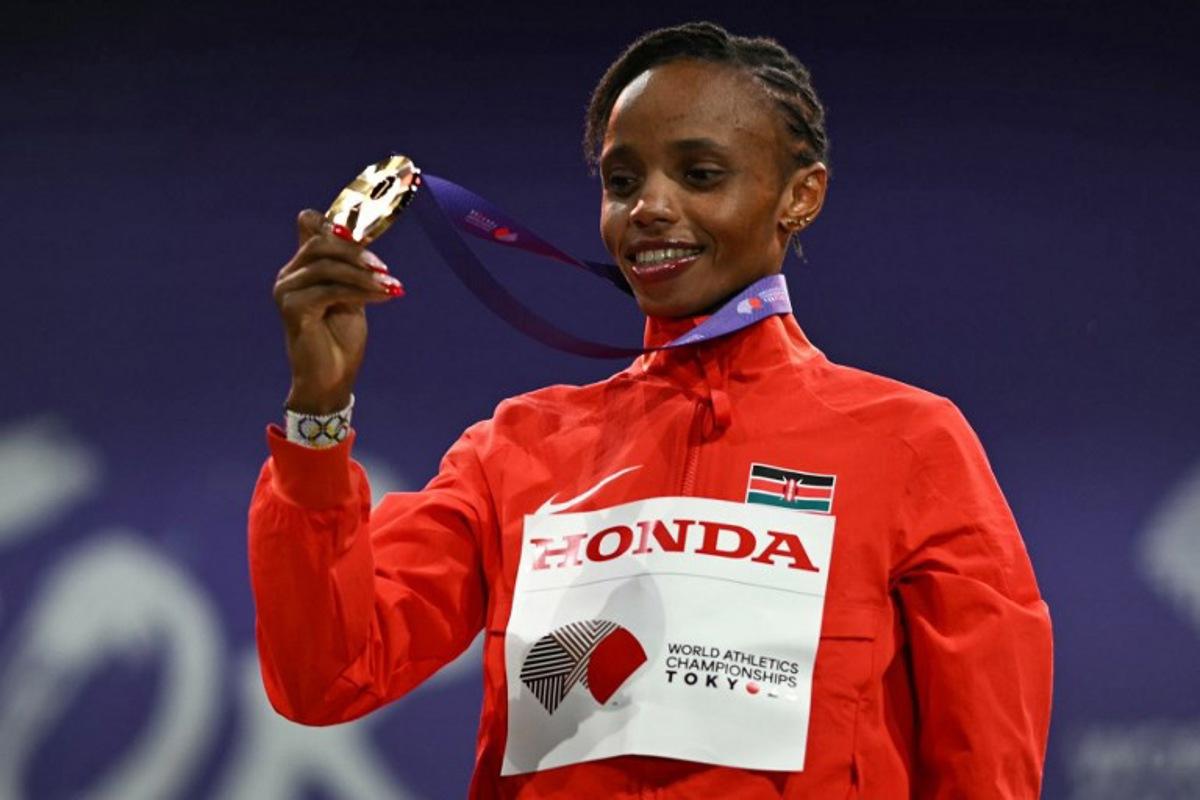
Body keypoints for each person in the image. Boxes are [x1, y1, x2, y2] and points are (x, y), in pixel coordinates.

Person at [249, 21, 1053, 799]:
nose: (648, 208)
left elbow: (987, 765)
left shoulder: (907, 443)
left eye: (700, 175)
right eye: (623, 182)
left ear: (799, 195)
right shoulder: (517, 451)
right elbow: (327, 678)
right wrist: (318, 415)